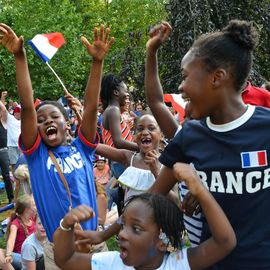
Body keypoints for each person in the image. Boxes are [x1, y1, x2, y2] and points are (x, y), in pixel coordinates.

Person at [146, 20, 270, 270]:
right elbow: (152, 198)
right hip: (209, 263)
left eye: (185, 76)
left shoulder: (265, 127)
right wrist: (106, 234)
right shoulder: (190, 135)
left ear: (217, 78)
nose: (180, 87)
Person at [0, 22, 114, 269]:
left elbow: (92, 107)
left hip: (93, 243)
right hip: (59, 250)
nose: (47, 121)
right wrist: (20, 57)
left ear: (67, 123)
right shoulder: (37, 156)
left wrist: (97, 63)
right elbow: (28, 106)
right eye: (41, 121)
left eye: (54, 117)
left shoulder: (82, 148)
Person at [53, 162, 236, 270]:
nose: (122, 234)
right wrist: (66, 225)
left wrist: (200, 191)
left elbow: (225, 242)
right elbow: (65, 260)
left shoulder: (178, 264)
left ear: (162, 241)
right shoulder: (112, 263)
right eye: (123, 225)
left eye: (137, 229)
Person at [97, 113, 162, 202]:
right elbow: (93, 146)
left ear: (161, 134)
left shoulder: (167, 163)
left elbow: (175, 201)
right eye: (140, 129)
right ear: (134, 135)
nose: (145, 132)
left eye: (151, 128)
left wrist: (157, 173)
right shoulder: (129, 157)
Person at [100, 73, 139, 213]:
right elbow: (118, 142)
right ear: (116, 92)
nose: (127, 93)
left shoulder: (109, 110)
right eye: (125, 90)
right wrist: (140, 148)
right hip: (120, 160)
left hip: (117, 161)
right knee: (134, 195)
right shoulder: (113, 110)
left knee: (125, 194)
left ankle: (123, 222)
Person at [0, 194, 36, 270]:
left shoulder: (32, 219)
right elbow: (11, 240)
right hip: (21, 257)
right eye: (34, 205)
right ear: (27, 210)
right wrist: (9, 254)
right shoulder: (15, 224)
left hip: (34, 255)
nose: (35, 207)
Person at [0, 92, 14, 203]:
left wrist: (2, 98)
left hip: (3, 151)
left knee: (6, 174)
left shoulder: (3, 122)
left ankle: (11, 198)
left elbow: (4, 110)